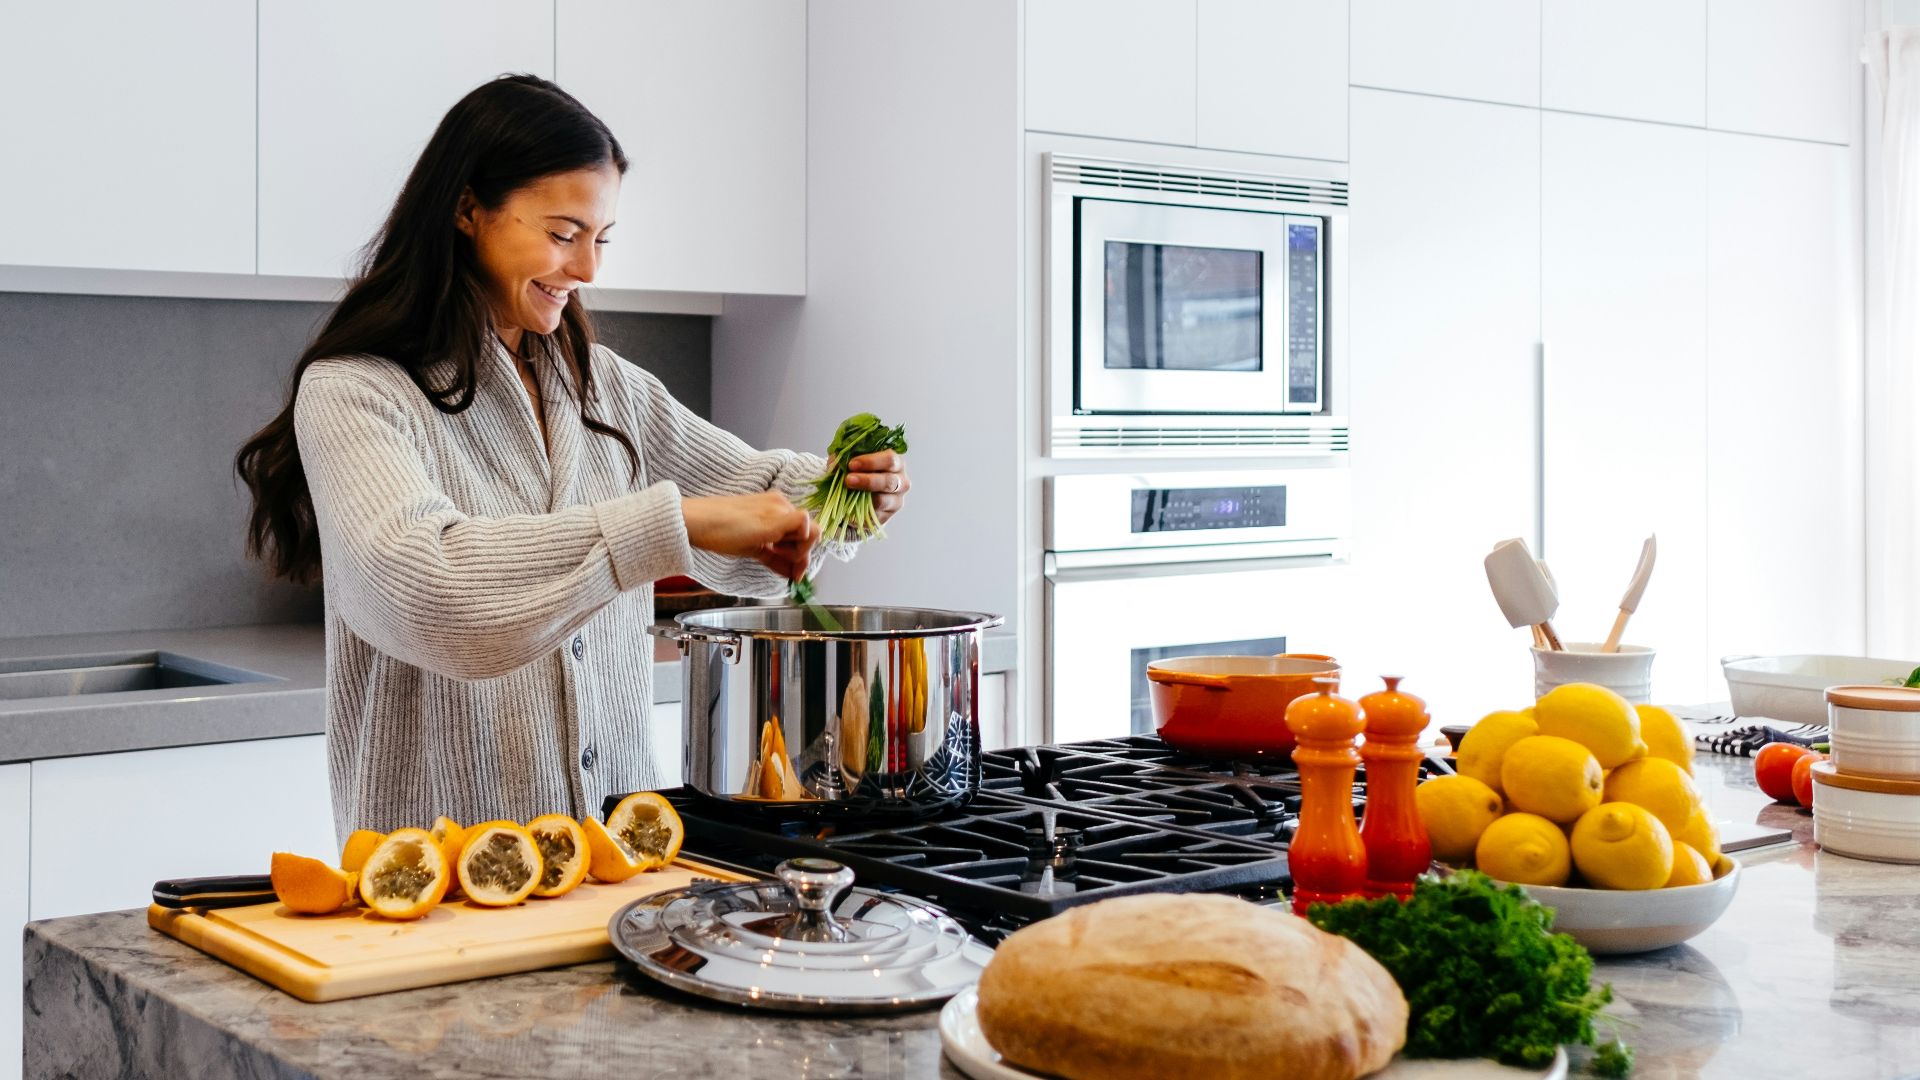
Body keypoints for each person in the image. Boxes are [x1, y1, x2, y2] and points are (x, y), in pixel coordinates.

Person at [235, 74, 909, 839]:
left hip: (622, 857)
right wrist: (669, 525)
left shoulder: (605, 387)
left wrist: (844, 495)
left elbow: (754, 495)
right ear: (466, 210)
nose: (588, 269)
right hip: (440, 875)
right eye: (563, 234)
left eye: (601, 238)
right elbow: (428, 589)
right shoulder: (357, 392)